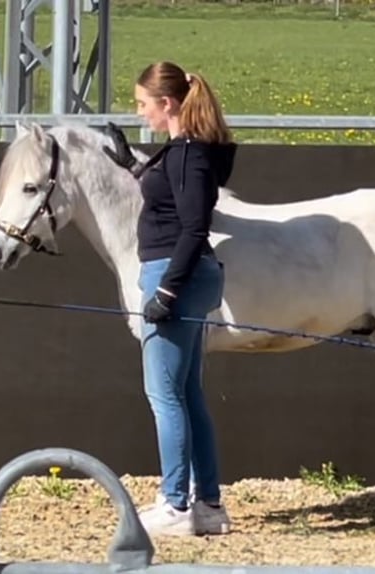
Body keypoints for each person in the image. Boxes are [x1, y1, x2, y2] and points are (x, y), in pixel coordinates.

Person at [101, 61, 237, 537]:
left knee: (164, 396)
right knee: (189, 393)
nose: (140, 115)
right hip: (179, 276)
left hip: (172, 275)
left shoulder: (188, 155)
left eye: (143, 105)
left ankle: (176, 504)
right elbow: (173, 199)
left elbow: (194, 225)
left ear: (168, 104)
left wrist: (165, 291)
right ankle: (209, 505)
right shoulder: (182, 153)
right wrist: (134, 166)